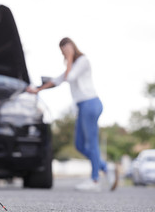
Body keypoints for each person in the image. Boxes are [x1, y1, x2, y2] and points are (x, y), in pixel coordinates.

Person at [26, 37, 118, 192]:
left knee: (92, 142)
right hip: (82, 107)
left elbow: (70, 77)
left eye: (66, 49)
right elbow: (57, 80)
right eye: (63, 51)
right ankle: (105, 167)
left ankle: (95, 180)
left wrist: (68, 57)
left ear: (73, 47)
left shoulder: (83, 61)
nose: (65, 52)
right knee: (80, 145)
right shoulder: (73, 65)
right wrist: (37, 89)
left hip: (90, 103)